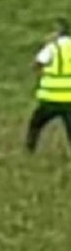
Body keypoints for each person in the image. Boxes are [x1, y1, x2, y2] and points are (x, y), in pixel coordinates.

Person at [25, 19, 71, 153]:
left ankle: (29, 151)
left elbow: (38, 63)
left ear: (58, 32)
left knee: (35, 125)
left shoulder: (52, 47)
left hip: (51, 98)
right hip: (69, 100)